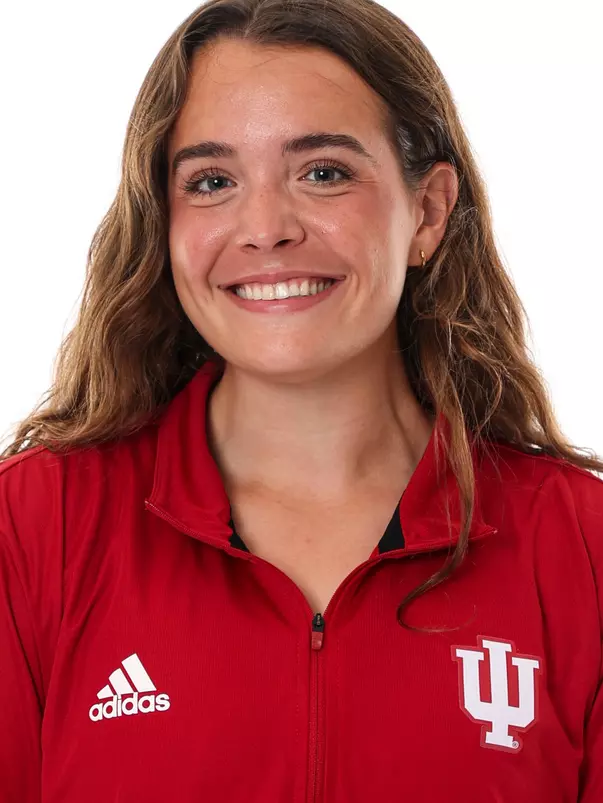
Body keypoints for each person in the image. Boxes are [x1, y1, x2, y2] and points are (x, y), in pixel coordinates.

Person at [1, 0, 602, 800]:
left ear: (426, 211)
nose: (264, 227)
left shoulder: (582, 548)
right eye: (212, 181)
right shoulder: (36, 526)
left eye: (323, 172)